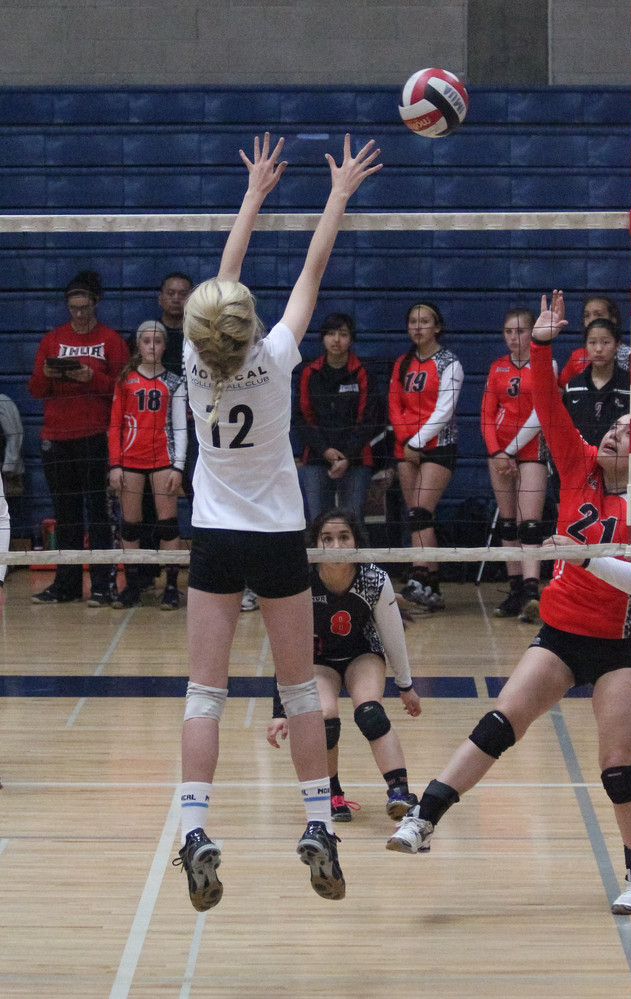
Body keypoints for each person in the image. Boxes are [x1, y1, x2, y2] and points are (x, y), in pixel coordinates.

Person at [388, 290, 631, 917]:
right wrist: (541, 345)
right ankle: (423, 818)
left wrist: (586, 557)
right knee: (500, 722)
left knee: (618, 767)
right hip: (563, 632)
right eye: (616, 425)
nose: (617, 430)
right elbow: (547, 402)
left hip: (620, 645)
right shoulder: (579, 466)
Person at [172, 132, 382, 912]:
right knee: (298, 688)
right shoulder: (277, 358)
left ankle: (195, 830)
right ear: (246, 323)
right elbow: (310, 272)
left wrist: (251, 195)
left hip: (215, 538)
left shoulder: (194, 362)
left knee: (205, 692)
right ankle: (318, 823)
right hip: (277, 539)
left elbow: (224, 277)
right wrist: (336, 195)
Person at [267, 508, 421, 822]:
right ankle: (332, 793)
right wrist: (279, 710)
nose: (336, 546)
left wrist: (406, 686)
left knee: (370, 713)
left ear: (356, 541)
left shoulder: (374, 579)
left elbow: (393, 637)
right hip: (318, 660)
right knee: (324, 718)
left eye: (344, 537)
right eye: (327, 538)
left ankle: (400, 793)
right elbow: (286, 647)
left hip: (362, 654)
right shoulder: (301, 580)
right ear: (315, 544)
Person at [28, 270, 130, 606]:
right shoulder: (52, 339)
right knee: (66, 512)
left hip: (95, 437)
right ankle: (66, 584)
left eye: (84, 307)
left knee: (99, 513)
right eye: (73, 308)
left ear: (95, 304)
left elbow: (124, 390)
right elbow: (35, 390)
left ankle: (102, 585)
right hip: (56, 437)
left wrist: (92, 377)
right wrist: (47, 375)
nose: (79, 313)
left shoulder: (111, 340)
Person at [388, 301, 463, 610]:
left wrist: (418, 442)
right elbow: (394, 403)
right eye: (413, 321)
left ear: (437, 327)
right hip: (406, 446)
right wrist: (406, 440)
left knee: (420, 512)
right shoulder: (402, 363)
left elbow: (444, 410)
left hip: (437, 446)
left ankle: (418, 578)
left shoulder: (449, 363)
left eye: (424, 321)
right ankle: (432, 589)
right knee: (417, 516)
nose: (417, 327)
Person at [108, 320, 187, 610]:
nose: (152, 346)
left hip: (163, 459)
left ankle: (171, 587)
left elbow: (180, 428)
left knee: (168, 525)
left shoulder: (174, 382)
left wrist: (178, 466)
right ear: (138, 345)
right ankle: (132, 586)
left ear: (165, 346)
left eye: (158, 341)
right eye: (146, 341)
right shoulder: (125, 380)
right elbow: (114, 425)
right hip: (130, 460)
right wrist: (114, 464)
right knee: (130, 526)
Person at [481, 308, 553, 622]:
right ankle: (515, 590)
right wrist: (496, 452)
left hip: (532, 450)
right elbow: (486, 415)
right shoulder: (497, 367)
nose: (514, 337)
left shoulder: (545, 364)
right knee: (508, 523)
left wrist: (509, 451)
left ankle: (531, 590)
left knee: (530, 524)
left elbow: (541, 413)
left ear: (532, 333)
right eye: (508, 332)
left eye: (521, 331)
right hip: (500, 453)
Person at [292, 313, 379, 523]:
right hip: (316, 457)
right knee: (318, 522)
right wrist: (325, 451)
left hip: (356, 460)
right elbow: (301, 417)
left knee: (353, 522)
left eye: (343, 334)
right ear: (322, 338)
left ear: (351, 338)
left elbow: (369, 420)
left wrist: (346, 456)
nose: (336, 340)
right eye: (331, 333)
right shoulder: (309, 373)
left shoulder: (363, 372)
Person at [558, 295, 631, 416]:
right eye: (587, 315)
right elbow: (560, 391)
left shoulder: (630, 357)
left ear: (613, 319)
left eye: (598, 314)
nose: (591, 320)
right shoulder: (577, 356)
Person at [562, 317, 631, 447]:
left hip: (621, 458)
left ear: (617, 345)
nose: (598, 349)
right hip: (581, 457)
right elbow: (563, 431)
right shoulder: (573, 387)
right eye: (592, 342)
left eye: (605, 342)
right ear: (585, 346)